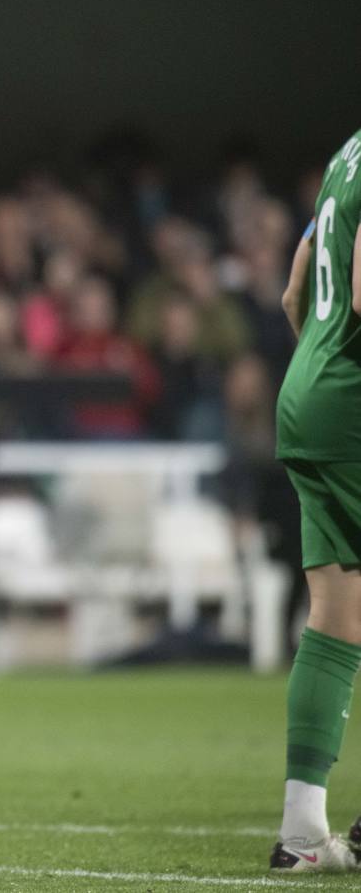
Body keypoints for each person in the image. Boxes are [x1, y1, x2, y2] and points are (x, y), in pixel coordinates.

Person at [271, 128, 361, 872]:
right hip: (353, 401)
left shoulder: (348, 151)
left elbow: (295, 284)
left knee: (335, 616)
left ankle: (303, 836)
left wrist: (318, 365)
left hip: (311, 390)